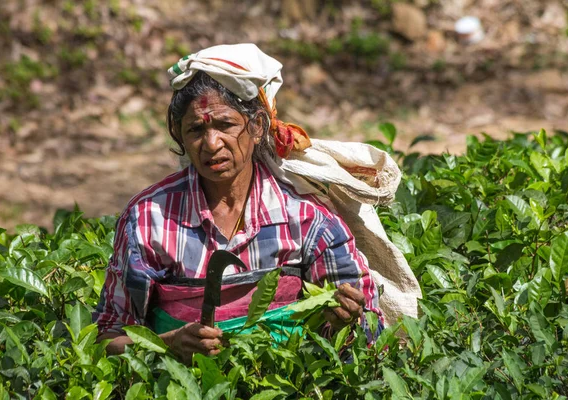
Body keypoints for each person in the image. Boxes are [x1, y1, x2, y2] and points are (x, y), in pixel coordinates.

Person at [93, 43, 382, 365]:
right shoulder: (149, 218)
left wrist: (341, 322)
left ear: (257, 126)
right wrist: (164, 345)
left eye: (226, 125)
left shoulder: (306, 217)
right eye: (196, 129)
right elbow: (107, 335)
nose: (212, 143)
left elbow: (369, 326)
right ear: (179, 136)